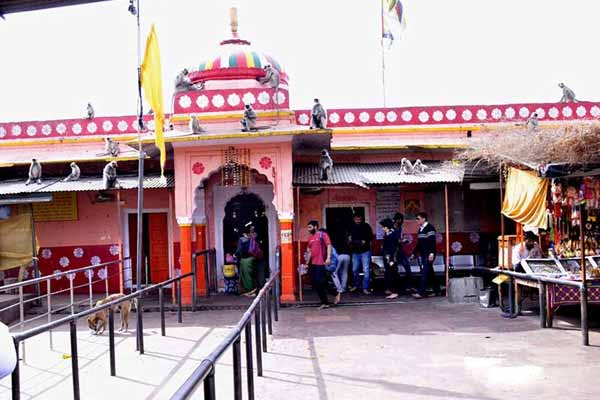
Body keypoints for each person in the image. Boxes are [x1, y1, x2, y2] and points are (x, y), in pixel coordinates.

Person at [413, 212, 441, 299]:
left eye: (418, 218)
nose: (416, 220)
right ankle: (437, 290)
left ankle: (421, 292)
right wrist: (414, 253)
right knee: (430, 272)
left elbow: (432, 242)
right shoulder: (420, 229)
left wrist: (432, 253)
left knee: (425, 272)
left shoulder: (430, 228)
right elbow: (419, 243)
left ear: (424, 219)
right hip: (423, 254)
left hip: (429, 254)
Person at [306, 220, 332, 309]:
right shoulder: (310, 238)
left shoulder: (323, 235)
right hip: (313, 263)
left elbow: (329, 245)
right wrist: (306, 263)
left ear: (315, 227)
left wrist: (328, 257)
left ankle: (326, 301)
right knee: (315, 282)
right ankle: (333, 294)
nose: (308, 229)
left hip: (321, 262)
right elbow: (309, 252)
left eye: (310, 227)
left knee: (319, 282)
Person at [348, 214, 374, 295]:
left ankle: (365, 288)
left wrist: (364, 241)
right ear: (353, 219)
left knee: (366, 270)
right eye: (356, 219)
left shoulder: (366, 226)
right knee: (354, 269)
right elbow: (349, 239)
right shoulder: (351, 227)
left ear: (361, 219)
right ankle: (356, 285)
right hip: (355, 251)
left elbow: (370, 237)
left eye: (359, 219)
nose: (358, 220)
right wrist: (356, 242)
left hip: (365, 251)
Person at [380, 218, 401, 299]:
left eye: (383, 227)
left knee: (392, 274)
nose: (383, 228)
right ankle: (391, 289)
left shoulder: (392, 234)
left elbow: (393, 248)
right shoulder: (389, 233)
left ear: (387, 226)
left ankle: (394, 291)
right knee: (389, 273)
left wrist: (391, 259)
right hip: (388, 257)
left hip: (391, 257)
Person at [393, 212, 413, 292]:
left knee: (407, 268)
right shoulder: (392, 229)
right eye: (400, 220)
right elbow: (393, 240)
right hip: (394, 251)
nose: (401, 222)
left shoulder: (400, 228)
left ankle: (408, 286)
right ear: (397, 220)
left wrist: (402, 241)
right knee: (394, 270)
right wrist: (402, 241)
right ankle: (396, 288)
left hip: (400, 251)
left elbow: (399, 239)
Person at [235, 226, 258, 296]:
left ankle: (250, 291)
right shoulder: (254, 236)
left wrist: (235, 254)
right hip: (253, 258)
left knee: (246, 276)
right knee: (252, 274)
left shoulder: (242, 239)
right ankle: (253, 289)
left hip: (245, 260)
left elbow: (239, 250)